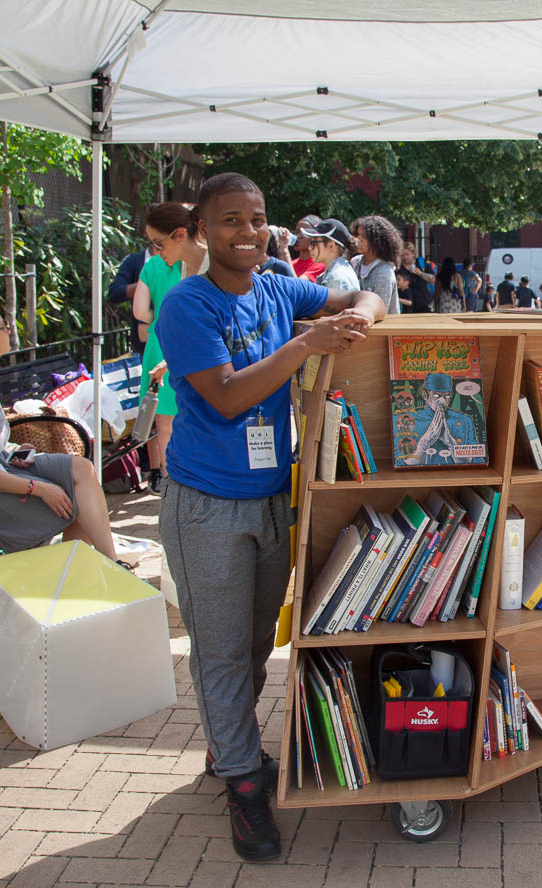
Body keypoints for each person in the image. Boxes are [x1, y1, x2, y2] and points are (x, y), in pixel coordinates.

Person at [155, 172, 385, 863]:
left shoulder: (281, 288)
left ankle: (230, 747)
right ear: (200, 231)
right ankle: (245, 785)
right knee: (223, 653)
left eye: (257, 219)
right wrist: (305, 346)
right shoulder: (186, 307)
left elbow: (366, 291)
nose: (248, 233)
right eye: (230, 220)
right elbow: (225, 397)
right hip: (205, 507)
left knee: (255, 646)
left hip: (268, 498)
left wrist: (362, 317)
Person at [0, 303, 122, 563]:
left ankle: (111, 562)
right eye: (3, 327)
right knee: (69, 506)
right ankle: (68, 579)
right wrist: (38, 488)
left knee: (82, 470)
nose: (8, 330)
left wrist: (14, 449)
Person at [133, 201, 208, 491]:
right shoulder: (186, 266)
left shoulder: (210, 264)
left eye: (157, 243)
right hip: (185, 364)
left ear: (179, 235)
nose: (155, 251)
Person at [107, 234, 162, 355]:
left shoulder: (178, 262)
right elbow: (114, 293)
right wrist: (144, 284)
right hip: (143, 342)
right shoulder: (134, 261)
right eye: (158, 245)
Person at [349, 214, 403, 316]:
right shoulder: (355, 262)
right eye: (357, 234)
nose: (358, 239)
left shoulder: (384, 272)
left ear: (377, 240)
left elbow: (380, 311)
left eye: (363, 236)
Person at [306, 218, 360, 291]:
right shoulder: (332, 272)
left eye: (314, 243)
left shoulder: (339, 278)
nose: (309, 248)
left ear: (331, 245)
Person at [400, 242, 435, 313]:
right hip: (408, 305)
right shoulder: (399, 268)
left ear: (413, 254)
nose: (405, 257)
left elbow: (432, 279)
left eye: (407, 254)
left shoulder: (421, 262)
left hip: (424, 303)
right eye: (403, 255)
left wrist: (420, 273)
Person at [289, 214, 325, 281]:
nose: (298, 236)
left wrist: (284, 253)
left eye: (304, 232)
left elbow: (297, 286)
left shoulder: (319, 264)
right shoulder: (291, 263)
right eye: (297, 232)